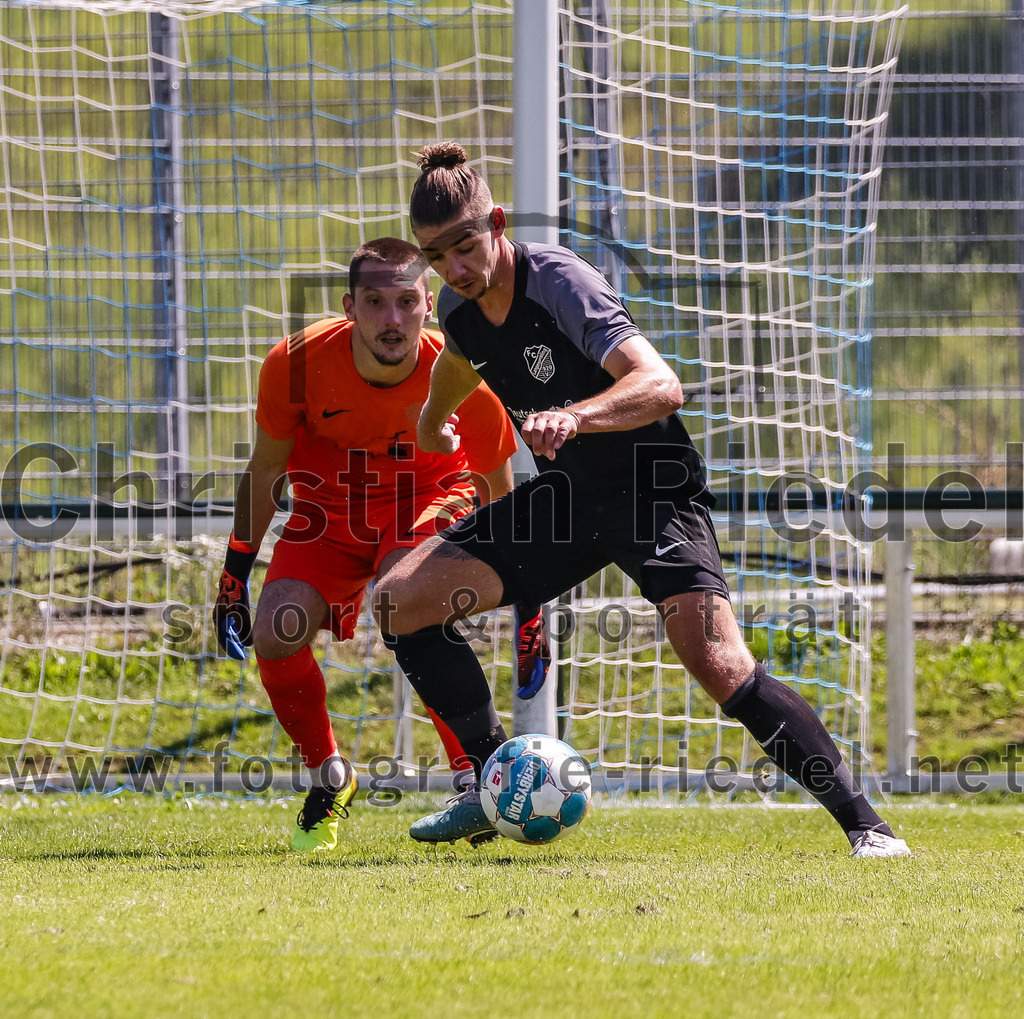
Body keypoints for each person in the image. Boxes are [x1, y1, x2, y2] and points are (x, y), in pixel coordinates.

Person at [372, 142, 910, 859]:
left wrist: (578, 414)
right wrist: (431, 418)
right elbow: (462, 362)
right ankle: (487, 778)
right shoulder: (459, 310)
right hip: (570, 499)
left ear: (496, 221)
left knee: (718, 660)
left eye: (466, 247)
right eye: (438, 257)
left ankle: (867, 826)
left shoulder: (560, 281)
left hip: (651, 489)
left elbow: (661, 385)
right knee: (399, 599)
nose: (456, 269)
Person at [212, 236, 537, 852]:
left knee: (401, 599)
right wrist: (234, 575)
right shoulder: (297, 363)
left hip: (427, 503)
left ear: (429, 305)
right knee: (274, 629)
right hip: (326, 516)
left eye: (407, 301)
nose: (392, 319)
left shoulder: (465, 369)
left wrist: (529, 599)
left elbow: (497, 484)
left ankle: (475, 779)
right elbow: (265, 473)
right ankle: (329, 776)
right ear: (348, 306)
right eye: (375, 302)